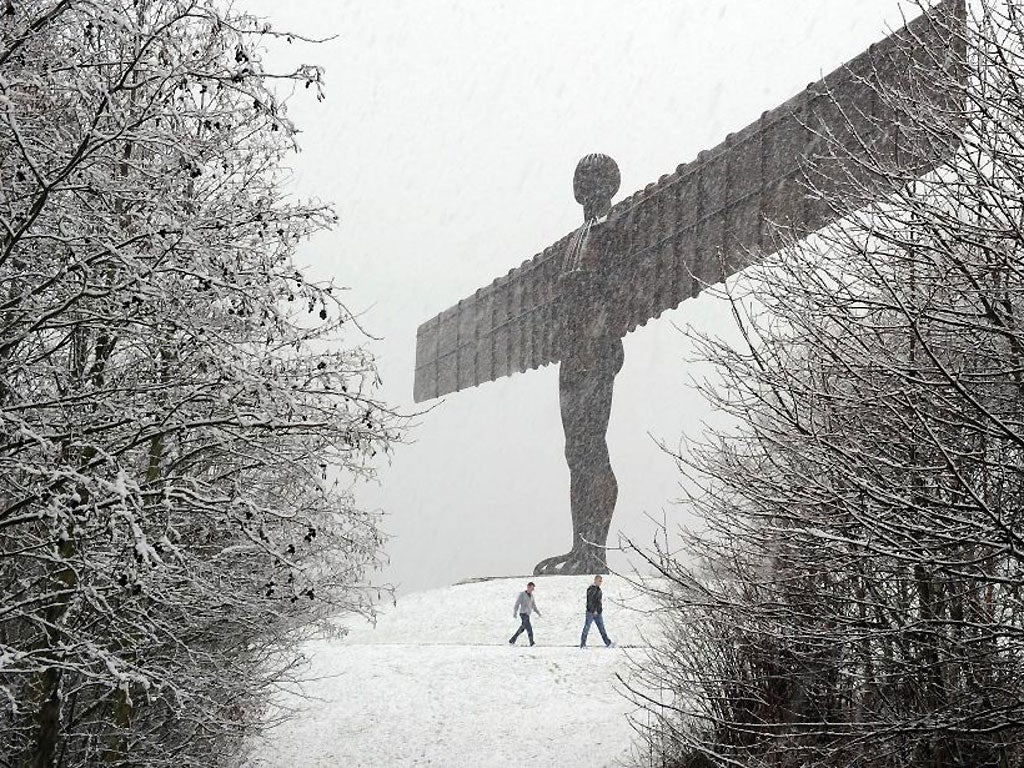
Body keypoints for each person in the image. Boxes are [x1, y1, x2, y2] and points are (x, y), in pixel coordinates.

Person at [580, 574, 613, 648]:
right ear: (595, 580)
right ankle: (583, 644)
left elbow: (599, 601)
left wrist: (599, 610)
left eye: (601, 581)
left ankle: (608, 643)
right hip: (591, 612)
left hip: (598, 612)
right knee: (587, 627)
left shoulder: (598, 589)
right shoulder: (591, 589)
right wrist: (594, 610)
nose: (600, 582)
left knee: (602, 628)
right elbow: (590, 601)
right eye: (599, 581)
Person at [509, 581, 541, 646]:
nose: (532, 590)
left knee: (522, 628)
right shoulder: (522, 594)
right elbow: (517, 604)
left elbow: (533, 605)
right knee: (529, 628)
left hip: (527, 614)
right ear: (528, 587)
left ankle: (512, 640)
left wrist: (538, 612)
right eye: (531, 588)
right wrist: (515, 612)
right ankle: (532, 642)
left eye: (533, 589)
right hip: (523, 613)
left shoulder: (531, 596)